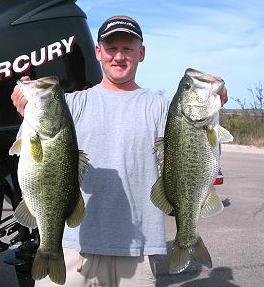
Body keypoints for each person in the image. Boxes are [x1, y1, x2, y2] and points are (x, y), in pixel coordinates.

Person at [11, 15, 228, 287]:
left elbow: (197, 157)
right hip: (71, 245)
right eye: (111, 48)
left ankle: (189, 239)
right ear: (98, 52)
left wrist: (213, 108)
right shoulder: (70, 104)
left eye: (127, 48)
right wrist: (26, 109)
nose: (119, 56)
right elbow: (32, 156)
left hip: (137, 251)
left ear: (141, 53)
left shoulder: (162, 107)